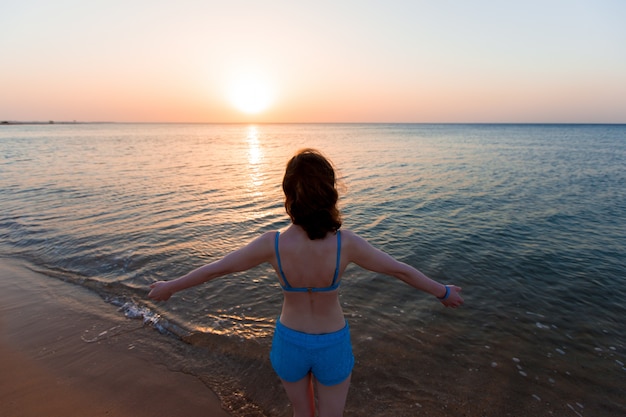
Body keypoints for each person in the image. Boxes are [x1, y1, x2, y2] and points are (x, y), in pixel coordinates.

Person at [148, 148, 464, 417]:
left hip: (290, 343)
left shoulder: (272, 244)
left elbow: (216, 270)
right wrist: (443, 291)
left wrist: (169, 287)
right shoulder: (346, 244)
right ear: (330, 192)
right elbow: (400, 271)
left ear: (288, 194)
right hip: (332, 343)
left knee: (302, 413)